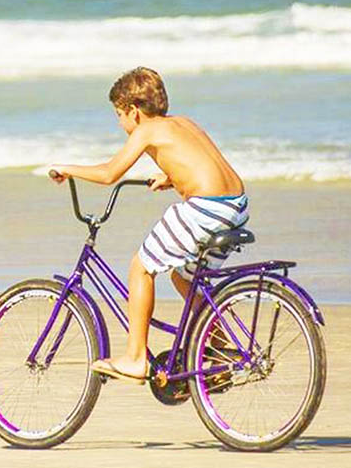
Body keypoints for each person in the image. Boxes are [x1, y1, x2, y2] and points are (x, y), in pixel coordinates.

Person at [48, 66, 248, 384]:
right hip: (234, 205)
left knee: (141, 267)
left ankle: (136, 358)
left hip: (206, 210)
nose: (120, 123)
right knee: (185, 279)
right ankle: (220, 351)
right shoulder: (183, 123)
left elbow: (110, 173)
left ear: (134, 111)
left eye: (119, 115)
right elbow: (202, 162)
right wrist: (172, 177)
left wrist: (67, 168)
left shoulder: (146, 130)